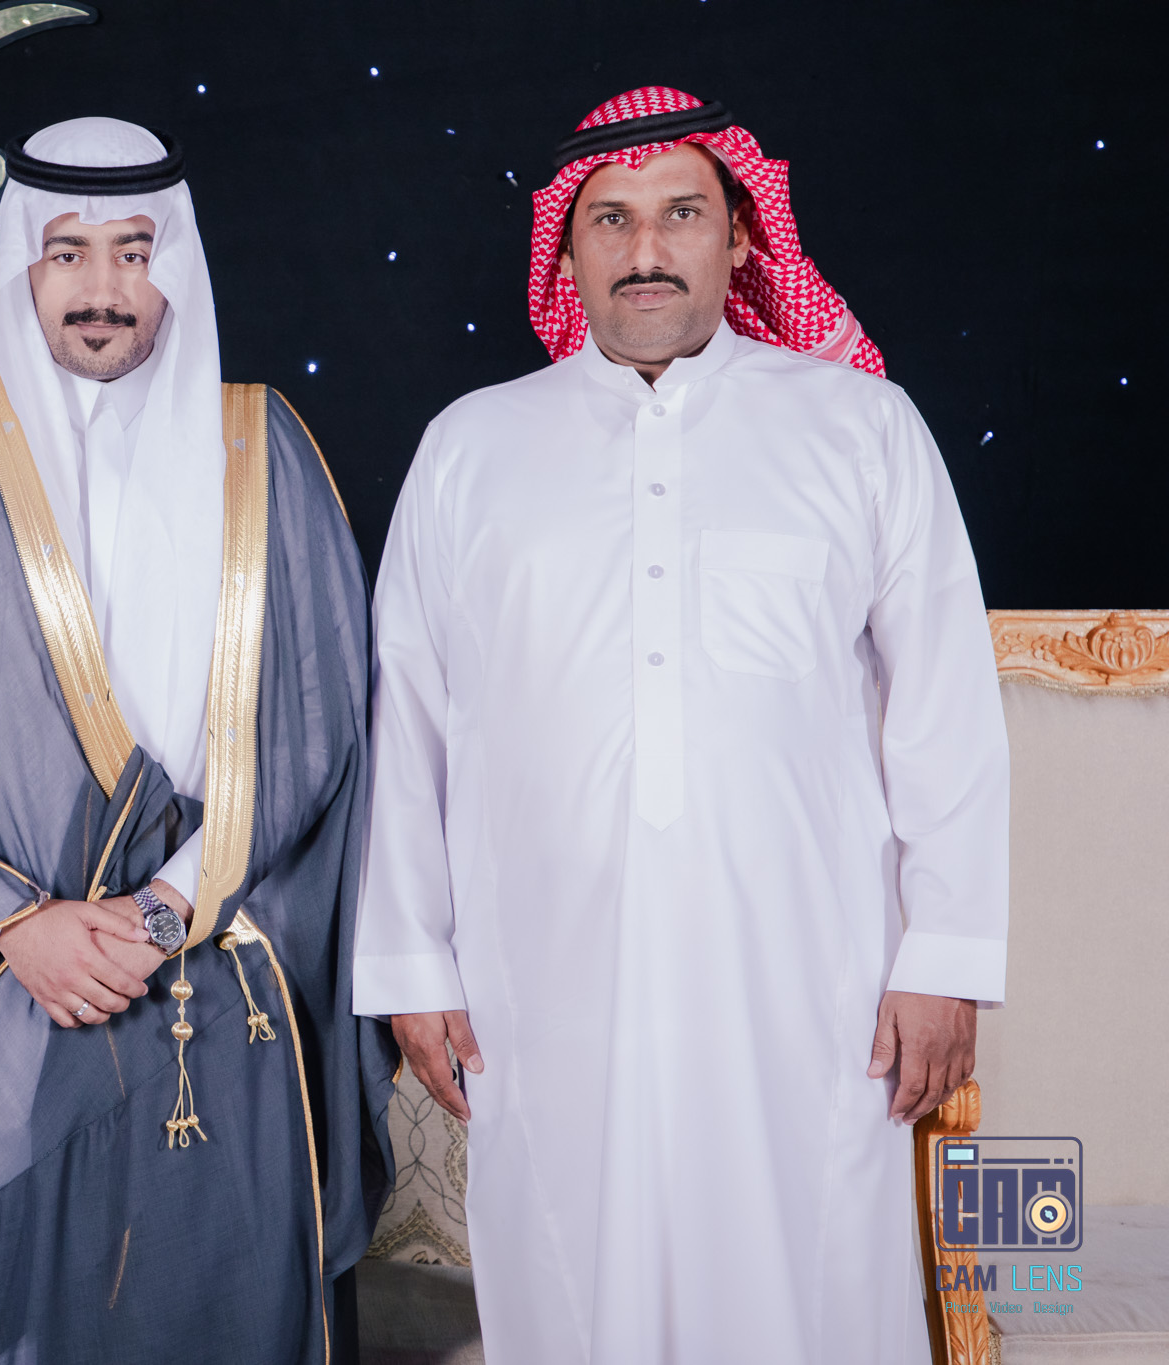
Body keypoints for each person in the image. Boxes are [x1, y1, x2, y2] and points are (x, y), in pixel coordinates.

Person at [353, 87, 1008, 1363]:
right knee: (572, 1278)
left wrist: (943, 957)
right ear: (566, 250)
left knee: (807, 1277)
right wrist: (411, 965)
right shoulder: (470, 449)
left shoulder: (859, 430)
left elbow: (944, 710)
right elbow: (409, 719)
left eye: (679, 215)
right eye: (609, 219)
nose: (643, 249)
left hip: (810, 984)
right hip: (543, 980)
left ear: (740, 239)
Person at [0, 118, 394, 1365]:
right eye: (67, 253)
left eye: (132, 253)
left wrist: (163, 910)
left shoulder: (264, 447)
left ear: (176, 268)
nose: (100, 289)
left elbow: (316, 717)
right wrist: (19, 926)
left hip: (211, 961)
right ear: (23, 265)